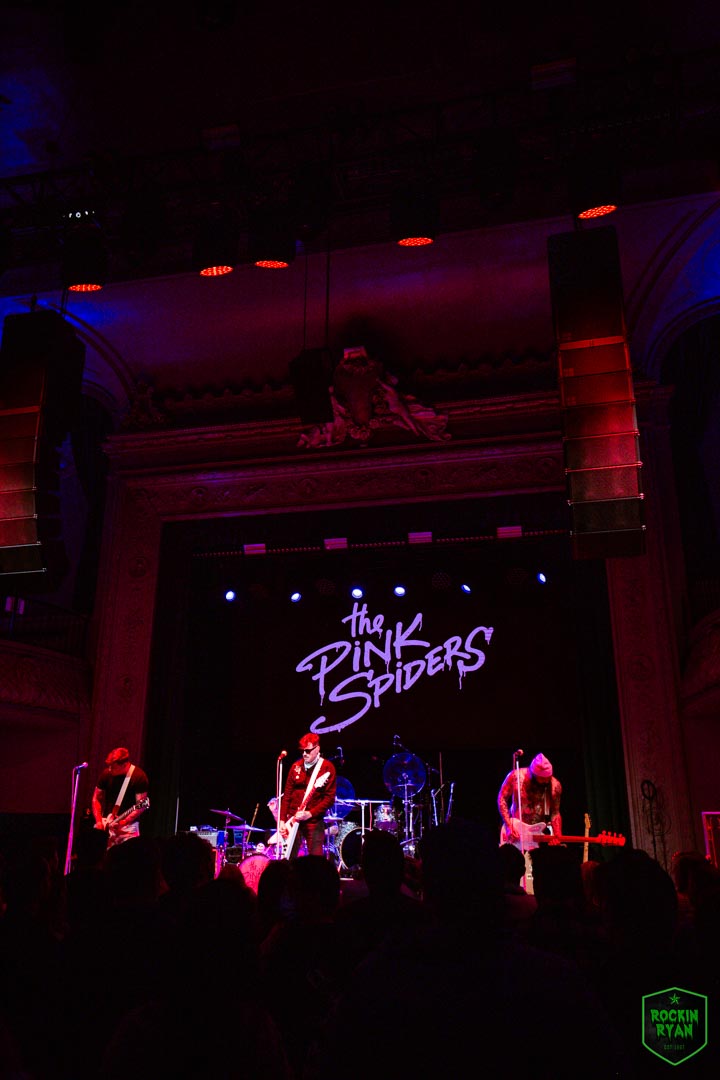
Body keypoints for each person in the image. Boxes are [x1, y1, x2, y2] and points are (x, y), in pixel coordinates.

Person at [497, 752, 562, 892]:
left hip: (537, 836)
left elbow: (555, 813)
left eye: (546, 780)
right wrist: (508, 825)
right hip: (516, 833)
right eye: (540, 780)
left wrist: (558, 835)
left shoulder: (554, 786)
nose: (543, 783)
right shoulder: (516, 777)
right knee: (512, 871)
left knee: (539, 872)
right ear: (533, 774)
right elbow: (502, 798)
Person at [278, 733, 336, 857]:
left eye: (308, 751)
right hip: (293, 819)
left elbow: (329, 799)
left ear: (317, 749)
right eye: (302, 751)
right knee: (288, 859)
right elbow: (287, 795)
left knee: (316, 860)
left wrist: (310, 813)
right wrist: (282, 820)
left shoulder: (327, 768)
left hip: (314, 820)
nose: (304, 754)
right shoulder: (295, 767)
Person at [91, 747, 150, 848]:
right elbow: (96, 798)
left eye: (113, 767)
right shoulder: (106, 774)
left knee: (127, 855)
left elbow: (141, 805)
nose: (110, 769)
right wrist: (99, 821)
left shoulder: (139, 777)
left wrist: (124, 821)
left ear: (124, 765)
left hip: (128, 827)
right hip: (107, 823)